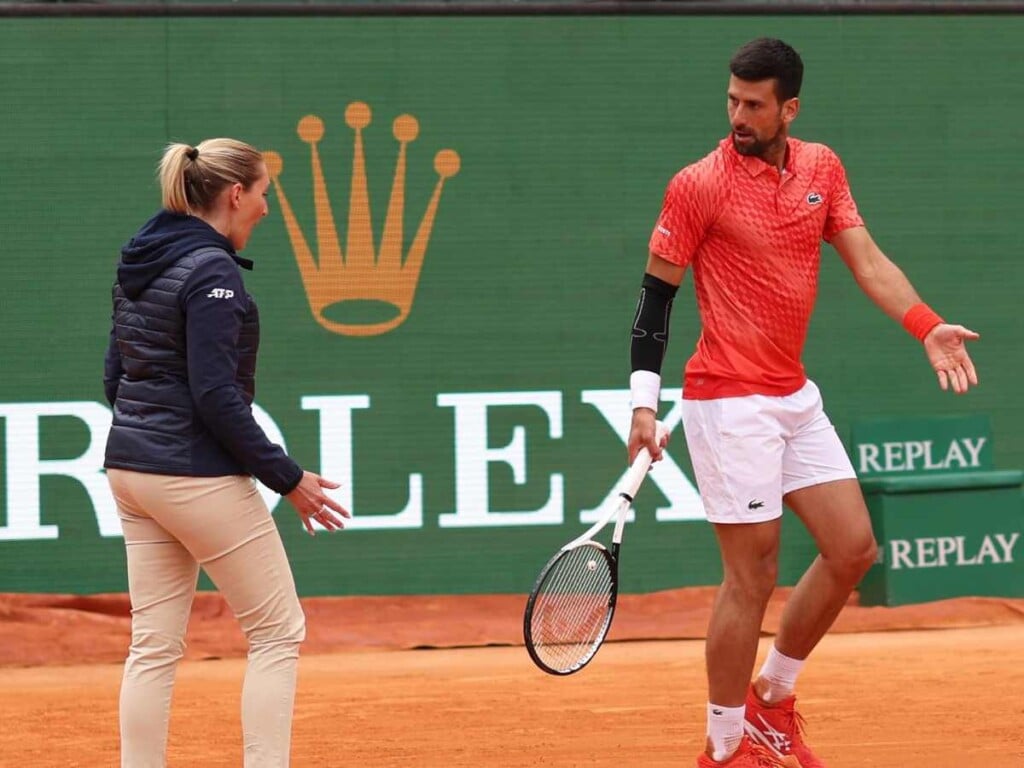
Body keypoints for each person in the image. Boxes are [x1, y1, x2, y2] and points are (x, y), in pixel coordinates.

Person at [627, 38, 979, 768]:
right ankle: (724, 747)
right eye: (732, 100)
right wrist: (641, 404)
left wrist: (926, 324)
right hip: (728, 403)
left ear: (790, 107)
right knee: (750, 579)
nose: (738, 116)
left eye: (755, 104)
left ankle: (772, 703)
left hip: (792, 394)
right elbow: (654, 300)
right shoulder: (697, 185)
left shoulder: (822, 168)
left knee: (853, 549)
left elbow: (869, 260)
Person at [103, 138, 350, 768]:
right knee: (277, 632)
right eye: (264, 192)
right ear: (235, 194)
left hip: (130, 468)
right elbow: (215, 395)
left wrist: (150, 436)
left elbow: (117, 377)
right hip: (191, 473)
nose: (267, 207)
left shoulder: (142, 258)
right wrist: (288, 478)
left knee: (153, 645)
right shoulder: (210, 271)